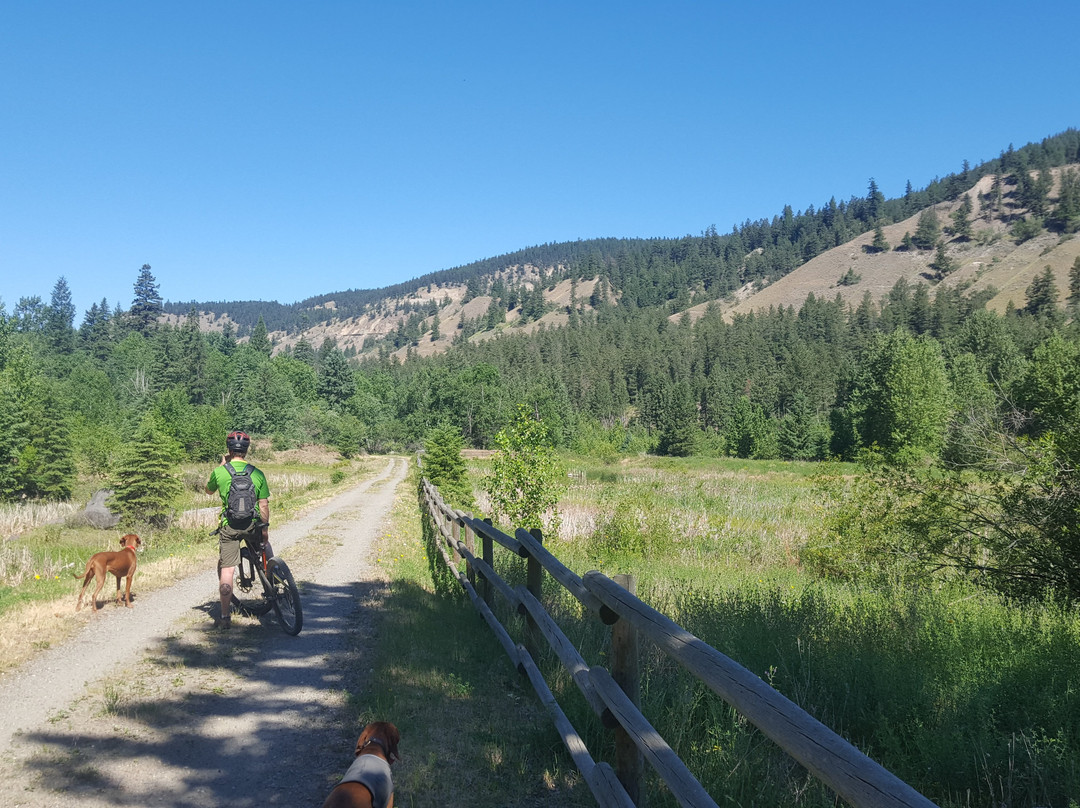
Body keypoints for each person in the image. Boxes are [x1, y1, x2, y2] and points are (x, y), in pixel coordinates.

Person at [206, 430, 273, 628]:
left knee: (227, 570)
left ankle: (225, 617)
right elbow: (263, 505)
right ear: (246, 450)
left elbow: (208, 490)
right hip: (252, 525)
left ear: (229, 449)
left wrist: (222, 465)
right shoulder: (257, 473)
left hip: (230, 527)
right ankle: (272, 579)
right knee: (265, 548)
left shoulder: (220, 472)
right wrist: (265, 530)